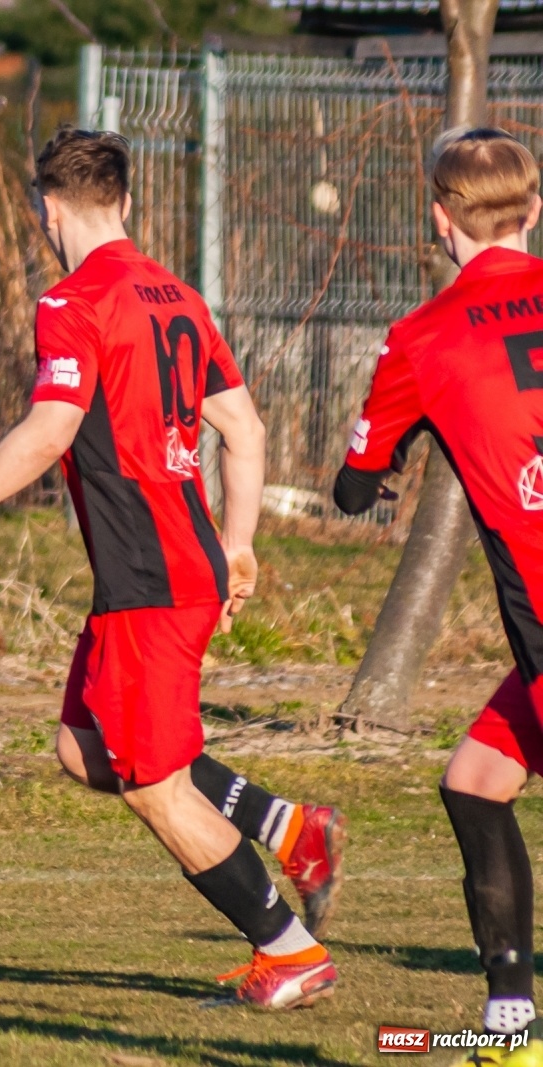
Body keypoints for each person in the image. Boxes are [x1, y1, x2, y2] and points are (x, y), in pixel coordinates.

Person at [0, 127, 340, 1008]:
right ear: (124, 202)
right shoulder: (179, 295)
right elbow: (246, 429)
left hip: (149, 577)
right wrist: (237, 541)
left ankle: (288, 951)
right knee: (86, 748)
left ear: (45, 210)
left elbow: (51, 429)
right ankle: (287, 824)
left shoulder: (72, 302)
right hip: (178, 561)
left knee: (152, 782)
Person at [335, 128, 543, 1064]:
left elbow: (355, 480)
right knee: (476, 781)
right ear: (533, 212)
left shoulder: (420, 337)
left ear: (438, 219)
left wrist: (369, 480)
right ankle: (510, 1030)